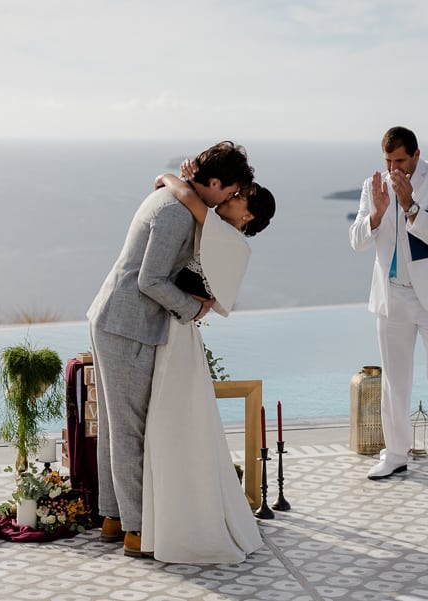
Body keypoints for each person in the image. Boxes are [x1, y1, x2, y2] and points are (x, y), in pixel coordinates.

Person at [87, 141, 253, 557]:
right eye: (230, 192)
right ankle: (137, 530)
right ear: (213, 183)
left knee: (115, 424)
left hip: (115, 319)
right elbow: (151, 281)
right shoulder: (178, 212)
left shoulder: (172, 197)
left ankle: (112, 517)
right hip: (129, 326)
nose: (229, 200)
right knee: (130, 430)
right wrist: (192, 309)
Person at [140, 171, 275, 563]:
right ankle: (166, 517)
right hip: (179, 328)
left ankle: (181, 524)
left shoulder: (226, 235)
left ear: (247, 216)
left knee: (170, 421)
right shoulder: (224, 237)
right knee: (173, 421)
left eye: (240, 197)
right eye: (235, 191)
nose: (231, 197)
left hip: (178, 332)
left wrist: (167, 175)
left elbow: (185, 195)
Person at [348, 126, 428, 486]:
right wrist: (377, 214)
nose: (393, 169)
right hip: (393, 297)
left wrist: (409, 205)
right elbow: (357, 240)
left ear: (416, 155)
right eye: (388, 161)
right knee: (394, 381)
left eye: (400, 160)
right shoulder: (375, 186)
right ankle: (396, 454)